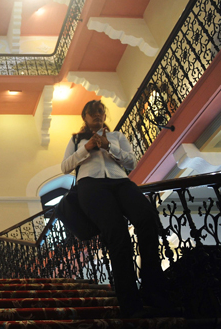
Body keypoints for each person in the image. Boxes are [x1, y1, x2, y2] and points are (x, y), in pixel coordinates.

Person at [61, 100, 170, 318]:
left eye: (100, 112)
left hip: (120, 182)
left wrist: (108, 146)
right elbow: (65, 166)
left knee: (147, 217)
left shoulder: (117, 136)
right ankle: (130, 303)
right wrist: (87, 148)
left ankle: (153, 291)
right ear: (85, 117)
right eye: (92, 113)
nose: (97, 116)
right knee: (117, 234)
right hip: (90, 185)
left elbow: (131, 162)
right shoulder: (76, 139)